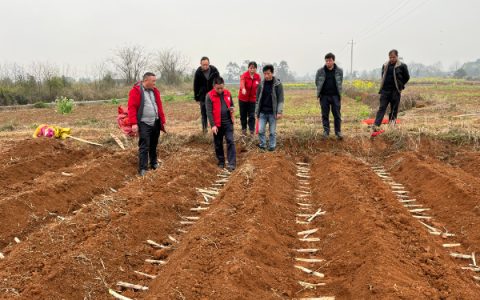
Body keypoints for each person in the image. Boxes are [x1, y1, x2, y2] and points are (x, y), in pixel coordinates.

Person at [128, 72, 166, 176]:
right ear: (146, 81)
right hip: (144, 123)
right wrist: (134, 123)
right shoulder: (135, 91)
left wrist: (162, 120)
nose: (155, 83)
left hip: (155, 122)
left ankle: (153, 163)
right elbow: (132, 108)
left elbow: (159, 105)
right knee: (144, 146)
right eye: (153, 81)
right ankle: (143, 168)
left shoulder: (155, 91)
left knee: (154, 144)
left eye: (155, 81)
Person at [373, 49, 410, 132]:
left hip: (395, 91)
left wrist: (400, 86)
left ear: (397, 56)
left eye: (393, 57)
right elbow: (383, 76)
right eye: (390, 57)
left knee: (394, 109)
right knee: (382, 108)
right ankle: (376, 125)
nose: (392, 59)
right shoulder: (385, 65)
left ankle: (391, 126)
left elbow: (407, 77)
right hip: (385, 91)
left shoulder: (402, 66)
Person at [205, 77, 236, 171]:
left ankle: (231, 164)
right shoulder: (209, 96)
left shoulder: (228, 93)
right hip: (217, 124)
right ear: (214, 86)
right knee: (218, 143)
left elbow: (232, 105)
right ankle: (221, 161)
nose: (220, 90)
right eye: (218, 88)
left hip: (228, 123)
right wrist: (213, 125)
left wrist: (232, 108)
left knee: (230, 141)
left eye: (222, 88)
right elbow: (209, 112)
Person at [255, 64, 284, 151]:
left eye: (268, 73)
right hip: (263, 112)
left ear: (272, 73)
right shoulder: (261, 84)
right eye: (265, 74)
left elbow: (281, 100)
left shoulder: (278, 84)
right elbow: (257, 99)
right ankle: (262, 145)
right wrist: (257, 112)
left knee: (272, 132)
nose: (266, 76)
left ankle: (272, 146)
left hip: (272, 113)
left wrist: (279, 112)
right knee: (260, 130)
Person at [315, 52, 344, 140]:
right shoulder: (320, 71)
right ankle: (326, 132)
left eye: (330, 60)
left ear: (333, 61)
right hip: (324, 97)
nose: (328, 62)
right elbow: (317, 82)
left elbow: (340, 82)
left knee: (337, 115)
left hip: (335, 96)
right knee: (325, 115)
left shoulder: (339, 71)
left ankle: (338, 132)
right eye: (326, 61)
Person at [193, 56, 220, 133]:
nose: (205, 66)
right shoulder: (198, 72)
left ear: (209, 63)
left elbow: (218, 82)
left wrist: (219, 93)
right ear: (200, 64)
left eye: (207, 64)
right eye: (203, 65)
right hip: (203, 96)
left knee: (214, 113)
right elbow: (196, 85)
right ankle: (204, 131)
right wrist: (196, 97)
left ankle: (215, 129)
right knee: (204, 114)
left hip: (213, 95)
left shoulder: (214, 70)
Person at [238, 61, 261, 136]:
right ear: (248, 68)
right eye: (251, 68)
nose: (252, 69)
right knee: (243, 115)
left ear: (256, 69)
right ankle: (244, 130)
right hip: (243, 99)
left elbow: (260, 87)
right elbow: (242, 83)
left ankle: (251, 131)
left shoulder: (258, 77)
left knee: (251, 115)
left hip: (253, 99)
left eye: (254, 68)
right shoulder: (244, 75)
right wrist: (243, 89)